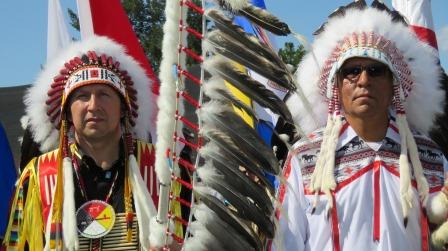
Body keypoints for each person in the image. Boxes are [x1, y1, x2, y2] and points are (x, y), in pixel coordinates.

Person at [276, 2, 448, 250]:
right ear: (337, 85)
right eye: (352, 70)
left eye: (376, 70)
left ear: (393, 85)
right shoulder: (306, 158)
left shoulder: (429, 157)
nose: (364, 80)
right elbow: (285, 241)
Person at [2, 36, 180, 250]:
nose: (93, 105)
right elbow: (16, 245)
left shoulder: (161, 171)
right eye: (82, 96)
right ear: (67, 111)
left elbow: (193, 235)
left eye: (104, 94)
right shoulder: (39, 176)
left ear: (124, 108)